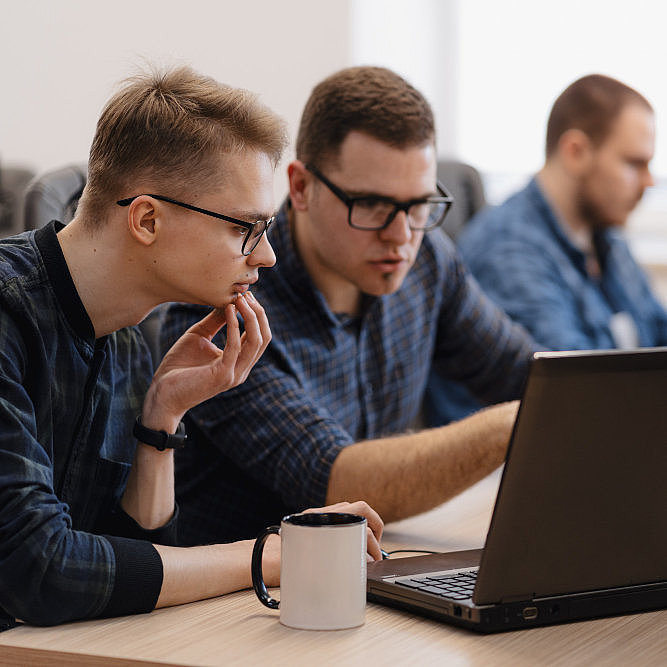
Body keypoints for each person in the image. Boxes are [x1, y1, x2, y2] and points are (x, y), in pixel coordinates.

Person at [0, 66, 383, 629]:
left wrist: (160, 421)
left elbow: (127, 567)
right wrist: (273, 553)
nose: (266, 256)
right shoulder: (9, 314)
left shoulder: (127, 335)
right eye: (244, 229)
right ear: (147, 219)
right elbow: (43, 572)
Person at [161, 66, 539, 546]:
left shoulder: (427, 262)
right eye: (373, 206)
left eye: (419, 205)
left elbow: (531, 373)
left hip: (359, 573)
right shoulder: (222, 304)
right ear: (300, 188)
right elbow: (336, 484)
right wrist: (517, 422)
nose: (401, 236)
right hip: (238, 599)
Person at [458, 74, 667, 351]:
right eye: (634, 164)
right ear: (575, 152)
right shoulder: (508, 251)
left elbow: (657, 333)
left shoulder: (604, 236)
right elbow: (576, 387)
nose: (648, 182)